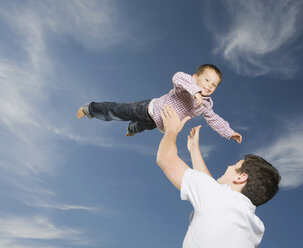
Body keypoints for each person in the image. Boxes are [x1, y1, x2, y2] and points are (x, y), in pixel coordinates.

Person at [156, 105, 280, 248]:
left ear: (241, 178)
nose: (228, 167)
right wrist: (194, 150)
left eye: (234, 165)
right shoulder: (255, 227)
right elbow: (211, 190)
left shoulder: (218, 199)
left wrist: (172, 129)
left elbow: (165, 158)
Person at [77, 64, 242, 143]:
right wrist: (195, 91)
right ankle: (90, 109)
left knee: (142, 126)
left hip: (159, 124)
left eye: (213, 85)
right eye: (207, 80)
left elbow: (214, 119)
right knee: (119, 111)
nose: (209, 86)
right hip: (148, 108)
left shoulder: (206, 105)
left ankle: (130, 129)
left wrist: (229, 132)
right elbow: (177, 77)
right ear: (195, 77)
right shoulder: (187, 85)